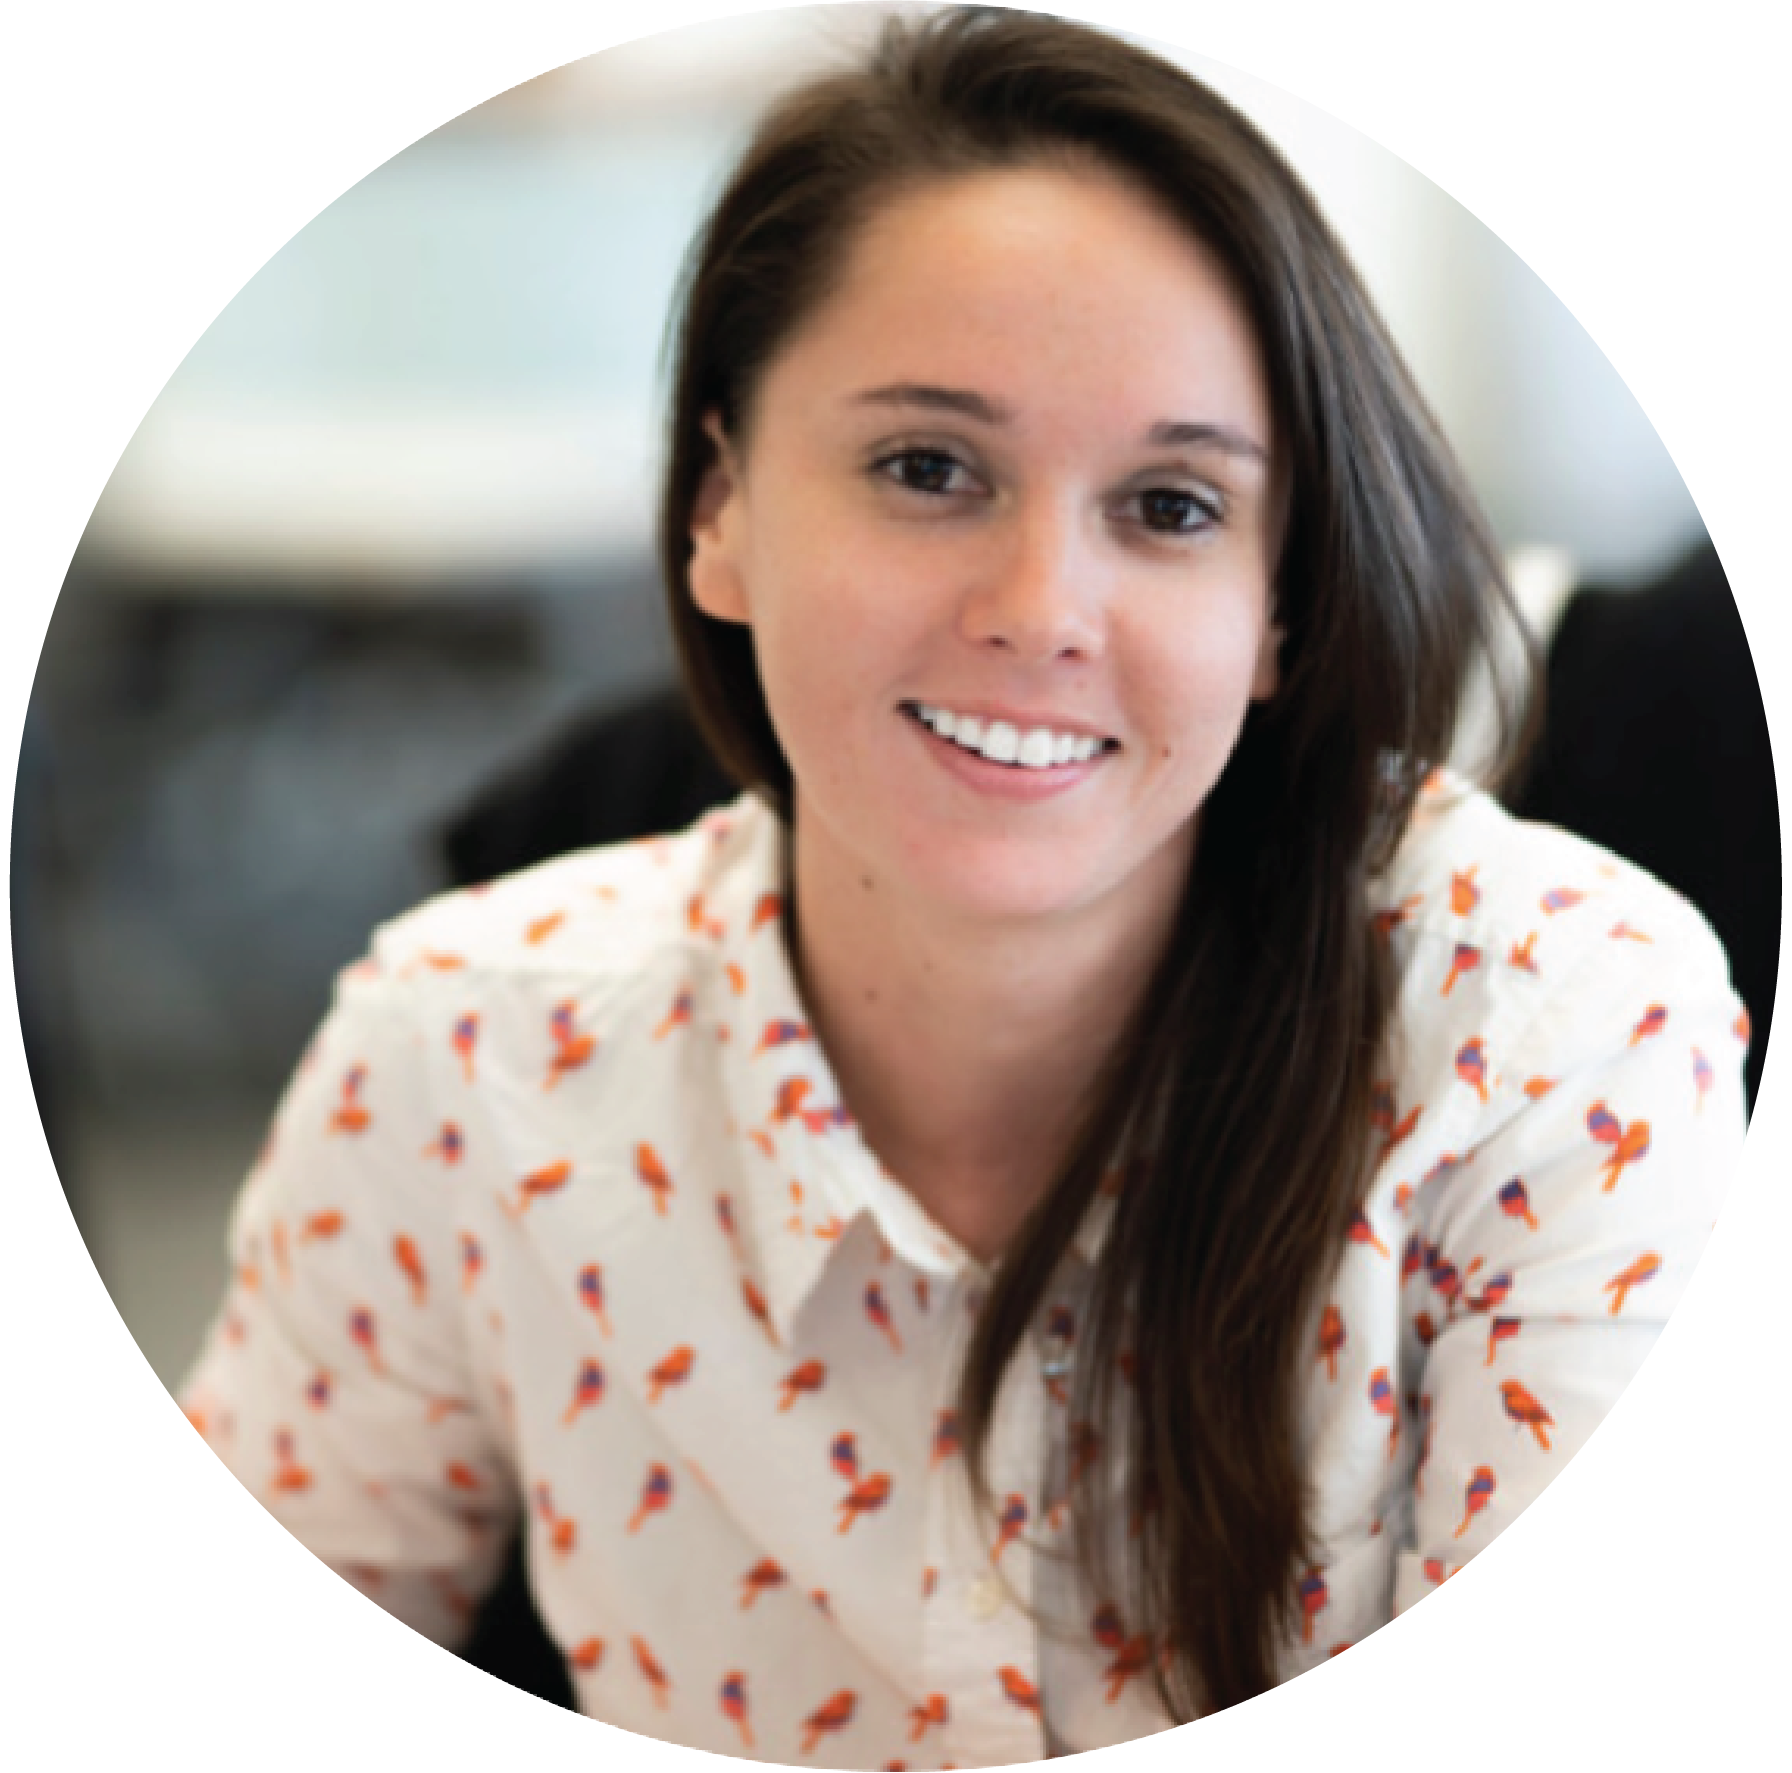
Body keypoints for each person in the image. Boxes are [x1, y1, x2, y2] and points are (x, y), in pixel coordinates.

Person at [177, 9, 1752, 1768]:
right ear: (717, 511)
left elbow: (1640, 1735)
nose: (1040, 607)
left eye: (1168, 507)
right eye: (928, 469)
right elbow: (256, 1686)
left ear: (1280, 610)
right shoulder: (458, 1046)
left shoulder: (1587, 1017)